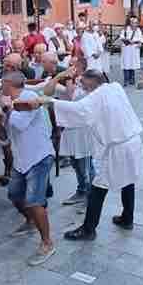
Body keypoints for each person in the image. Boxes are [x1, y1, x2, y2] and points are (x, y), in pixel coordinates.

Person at [41, 74, 143, 241]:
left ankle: (88, 229)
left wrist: (51, 102)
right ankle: (127, 218)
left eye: (84, 86)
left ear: (92, 84)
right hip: (132, 141)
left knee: (98, 187)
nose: (84, 89)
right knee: (128, 180)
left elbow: (79, 110)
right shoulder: (115, 87)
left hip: (118, 148)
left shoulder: (98, 95)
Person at [0, 71, 56, 266]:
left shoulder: (30, 98)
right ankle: (30, 222)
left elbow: (20, 124)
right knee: (14, 195)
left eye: (2, 83)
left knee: (34, 201)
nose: (0, 87)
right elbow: (6, 135)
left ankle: (47, 243)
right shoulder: (11, 103)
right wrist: (0, 121)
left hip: (39, 157)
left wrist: (7, 109)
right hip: (21, 159)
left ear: (8, 84)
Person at [43, 69, 95, 207]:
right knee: (76, 164)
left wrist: (70, 81)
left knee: (86, 165)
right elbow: (46, 92)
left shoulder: (85, 89)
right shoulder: (63, 88)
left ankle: (91, 195)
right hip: (70, 132)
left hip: (84, 132)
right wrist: (58, 77)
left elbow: (72, 98)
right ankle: (82, 190)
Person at [119, 16, 143, 87]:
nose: (134, 24)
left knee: (132, 64)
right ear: (130, 23)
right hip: (127, 49)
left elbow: (141, 38)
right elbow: (121, 37)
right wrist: (127, 40)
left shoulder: (138, 30)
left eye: (136, 23)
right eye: (133, 22)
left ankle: (132, 79)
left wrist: (140, 43)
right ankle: (126, 80)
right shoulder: (125, 29)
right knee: (126, 64)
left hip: (134, 49)